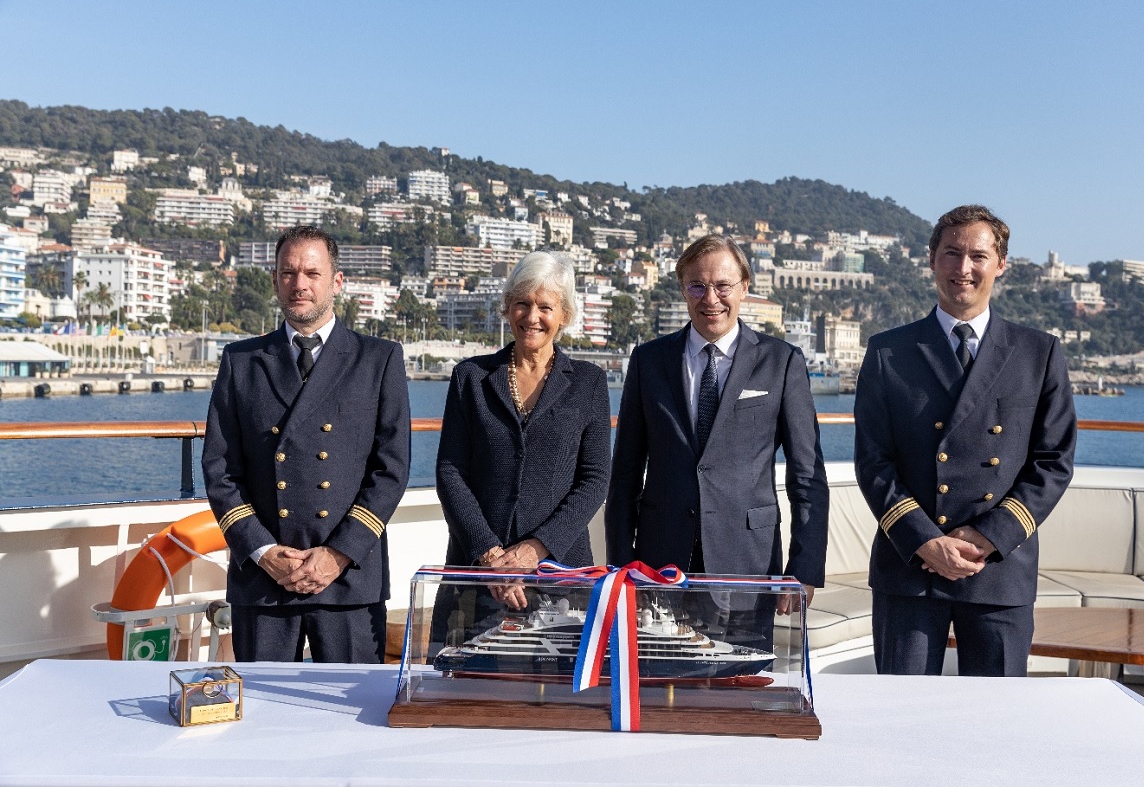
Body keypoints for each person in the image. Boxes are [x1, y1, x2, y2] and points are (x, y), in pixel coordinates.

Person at [855, 204, 1076, 677]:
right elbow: (875, 462)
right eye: (951, 253)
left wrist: (987, 537)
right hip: (910, 567)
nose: (963, 268)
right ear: (931, 258)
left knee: (995, 725)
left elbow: (1053, 461)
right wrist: (926, 542)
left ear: (1001, 264)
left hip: (997, 567)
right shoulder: (888, 352)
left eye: (978, 255)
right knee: (900, 719)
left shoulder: (1039, 353)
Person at [203, 225, 411, 664]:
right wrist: (263, 553)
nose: (299, 284)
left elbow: (391, 469)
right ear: (275, 280)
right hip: (265, 579)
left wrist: (337, 554)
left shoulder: (378, 359)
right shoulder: (241, 361)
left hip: (348, 575)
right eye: (288, 273)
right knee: (262, 714)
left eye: (312, 273)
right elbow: (221, 470)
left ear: (336, 282)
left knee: (354, 716)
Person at [605, 234, 829, 616]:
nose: (710, 299)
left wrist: (804, 569)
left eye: (723, 285)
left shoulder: (782, 362)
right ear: (682, 289)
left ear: (744, 287)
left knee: (742, 677)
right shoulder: (648, 362)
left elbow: (806, 476)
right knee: (665, 677)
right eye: (698, 286)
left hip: (748, 565)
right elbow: (625, 475)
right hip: (658, 567)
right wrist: (621, 568)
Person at [431, 251, 610, 640]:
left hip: (560, 574)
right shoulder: (471, 378)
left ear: (565, 315)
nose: (532, 317)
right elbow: (450, 471)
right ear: (507, 308)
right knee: (467, 691)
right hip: (480, 576)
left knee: (561, 695)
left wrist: (535, 550)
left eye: (545, 306)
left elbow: (595, 480)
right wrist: (491, 556)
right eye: (522, 304)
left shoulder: (589, 383)